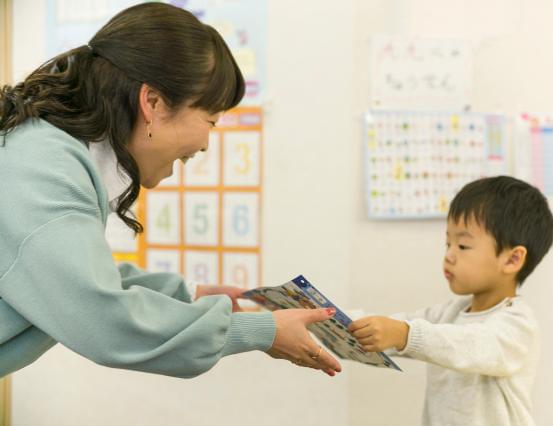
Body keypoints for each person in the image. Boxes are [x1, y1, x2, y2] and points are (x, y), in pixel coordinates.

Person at [0, 3, 341, 379]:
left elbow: (77, 277)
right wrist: (261, 331)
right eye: (210, 120)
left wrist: (190, 294)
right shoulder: (44, 170)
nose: (206, 144)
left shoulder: (50, 155)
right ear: (152, 102)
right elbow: (105, 320)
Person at [349, 176, 553, 425]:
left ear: (512, 260)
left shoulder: (518, 325)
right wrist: (331, 318)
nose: (449, 255)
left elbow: (470, 345)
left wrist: (405, 335)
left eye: (463, 246)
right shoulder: (449, 313)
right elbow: (388, 329)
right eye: (448, 243)